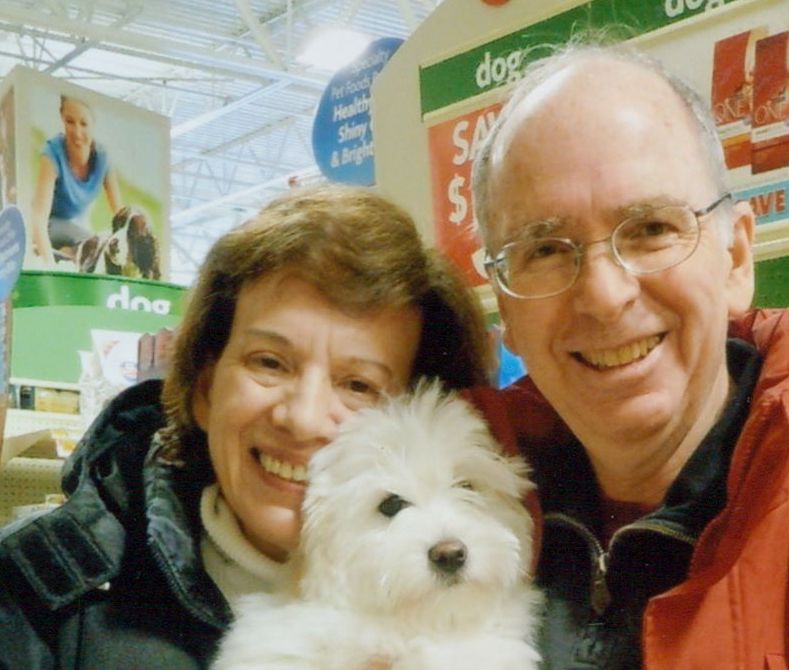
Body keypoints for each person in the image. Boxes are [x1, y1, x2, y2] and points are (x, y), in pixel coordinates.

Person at [468, 40, 789, 669]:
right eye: (544, 249)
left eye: (652, 228)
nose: (604, 296)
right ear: (506, 311)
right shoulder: (452, 508)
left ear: (735, 259)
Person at [0, 184, 493, 669]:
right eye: (269, 362)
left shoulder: (495, 602)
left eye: (359, 385)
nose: (302, 418)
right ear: (206, 389)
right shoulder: (35, 597)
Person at [30, 95, 122, 267]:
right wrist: (49, 266)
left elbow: (120, 214)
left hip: (78, 226)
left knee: (96, 246)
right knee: (93, 243)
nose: (77, 132)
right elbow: (39, 217)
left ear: (93, 124)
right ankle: (55, 254)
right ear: (62, 119)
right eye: (70, 122)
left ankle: (66, 255)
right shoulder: (52, 153)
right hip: (49, 225)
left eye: (84, 124)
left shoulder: (102, 158)